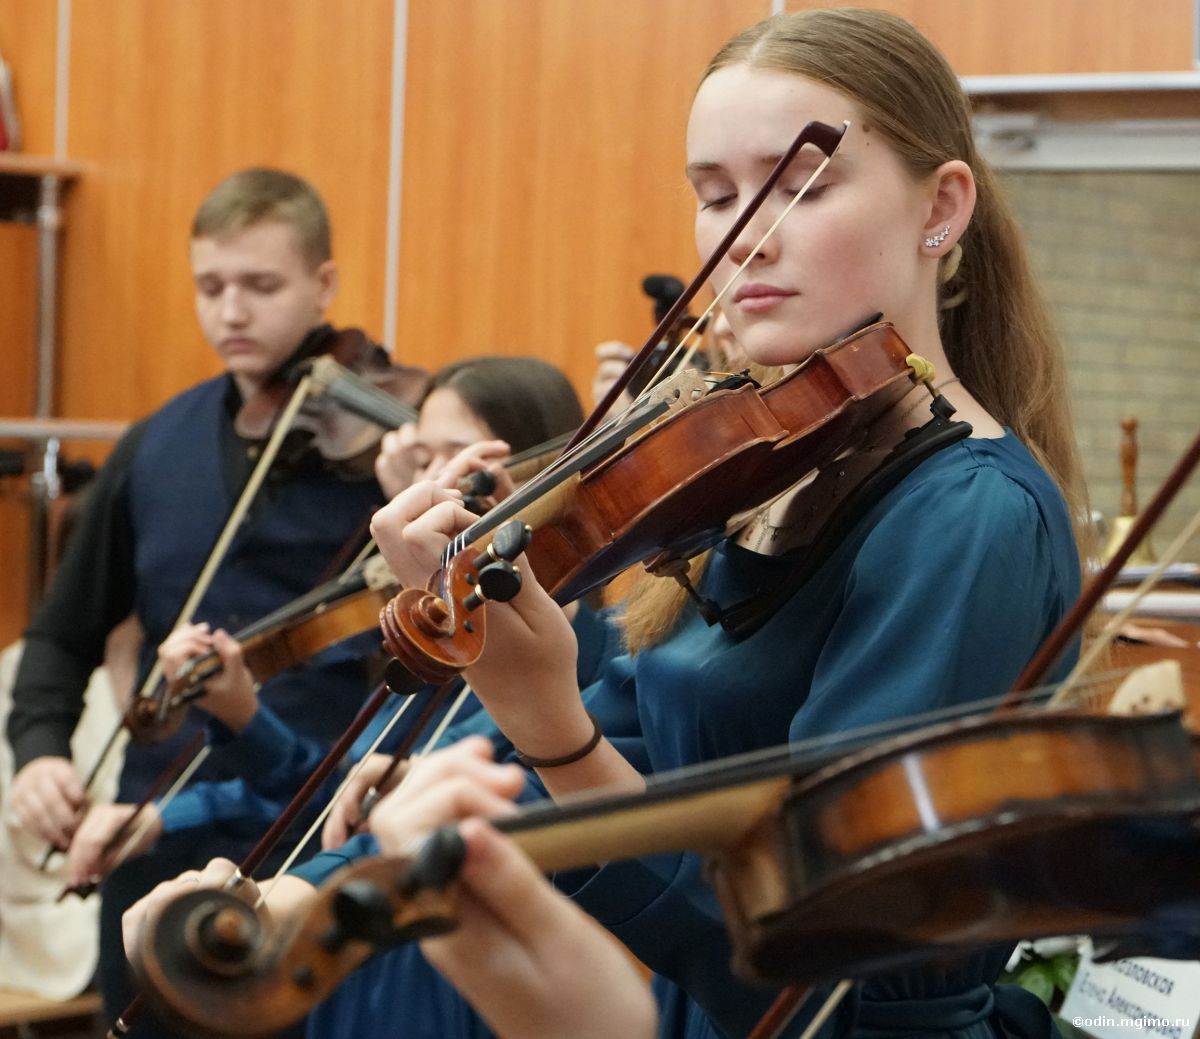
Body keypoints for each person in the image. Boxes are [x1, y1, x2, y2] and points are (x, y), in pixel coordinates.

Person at [369, 8, 1086, 1039]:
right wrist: (315, 880)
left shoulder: (970, 519)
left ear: (942, 206)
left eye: (802, 184)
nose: (743, 233)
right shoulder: (766, 474)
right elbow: (630, 730)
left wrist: (550, 727)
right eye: (713, 195)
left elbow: (825, 966)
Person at [4, 167, 424, 1034]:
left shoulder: (391, 446)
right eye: (211, 286)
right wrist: (41, 749)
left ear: (325, 285)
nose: (231, 311)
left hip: (316, 833)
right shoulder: (156, 444)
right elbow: (60, 633)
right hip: (146, 832)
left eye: (261, 286)